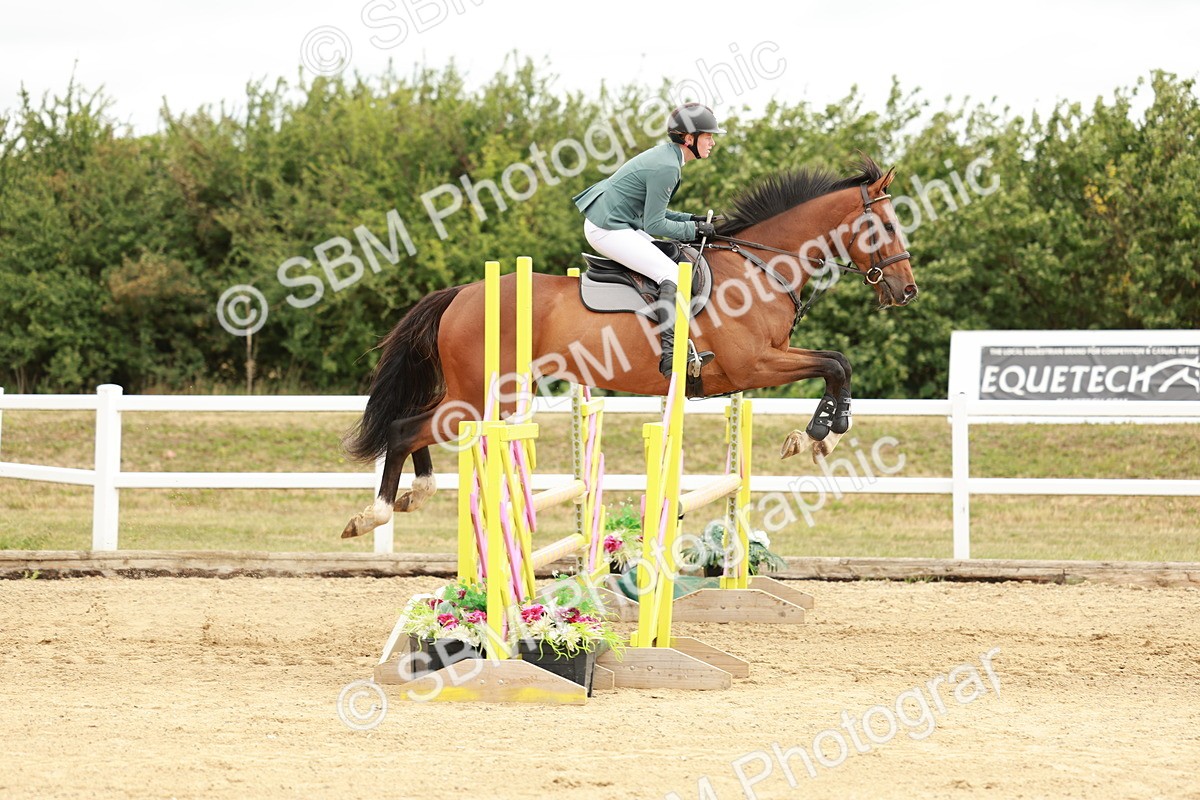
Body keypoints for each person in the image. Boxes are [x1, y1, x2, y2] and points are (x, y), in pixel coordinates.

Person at [572, 102, 724, 377]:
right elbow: (654, 224)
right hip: (607, 228)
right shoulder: (667, 167)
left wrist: (693, 219)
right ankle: (670, 356)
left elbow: (655, 214)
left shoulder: (669, 158)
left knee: (667, 263)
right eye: (708, 135)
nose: (713, 141)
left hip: (619, 223)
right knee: (672, 273)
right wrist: (694, 231)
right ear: (689, 139)